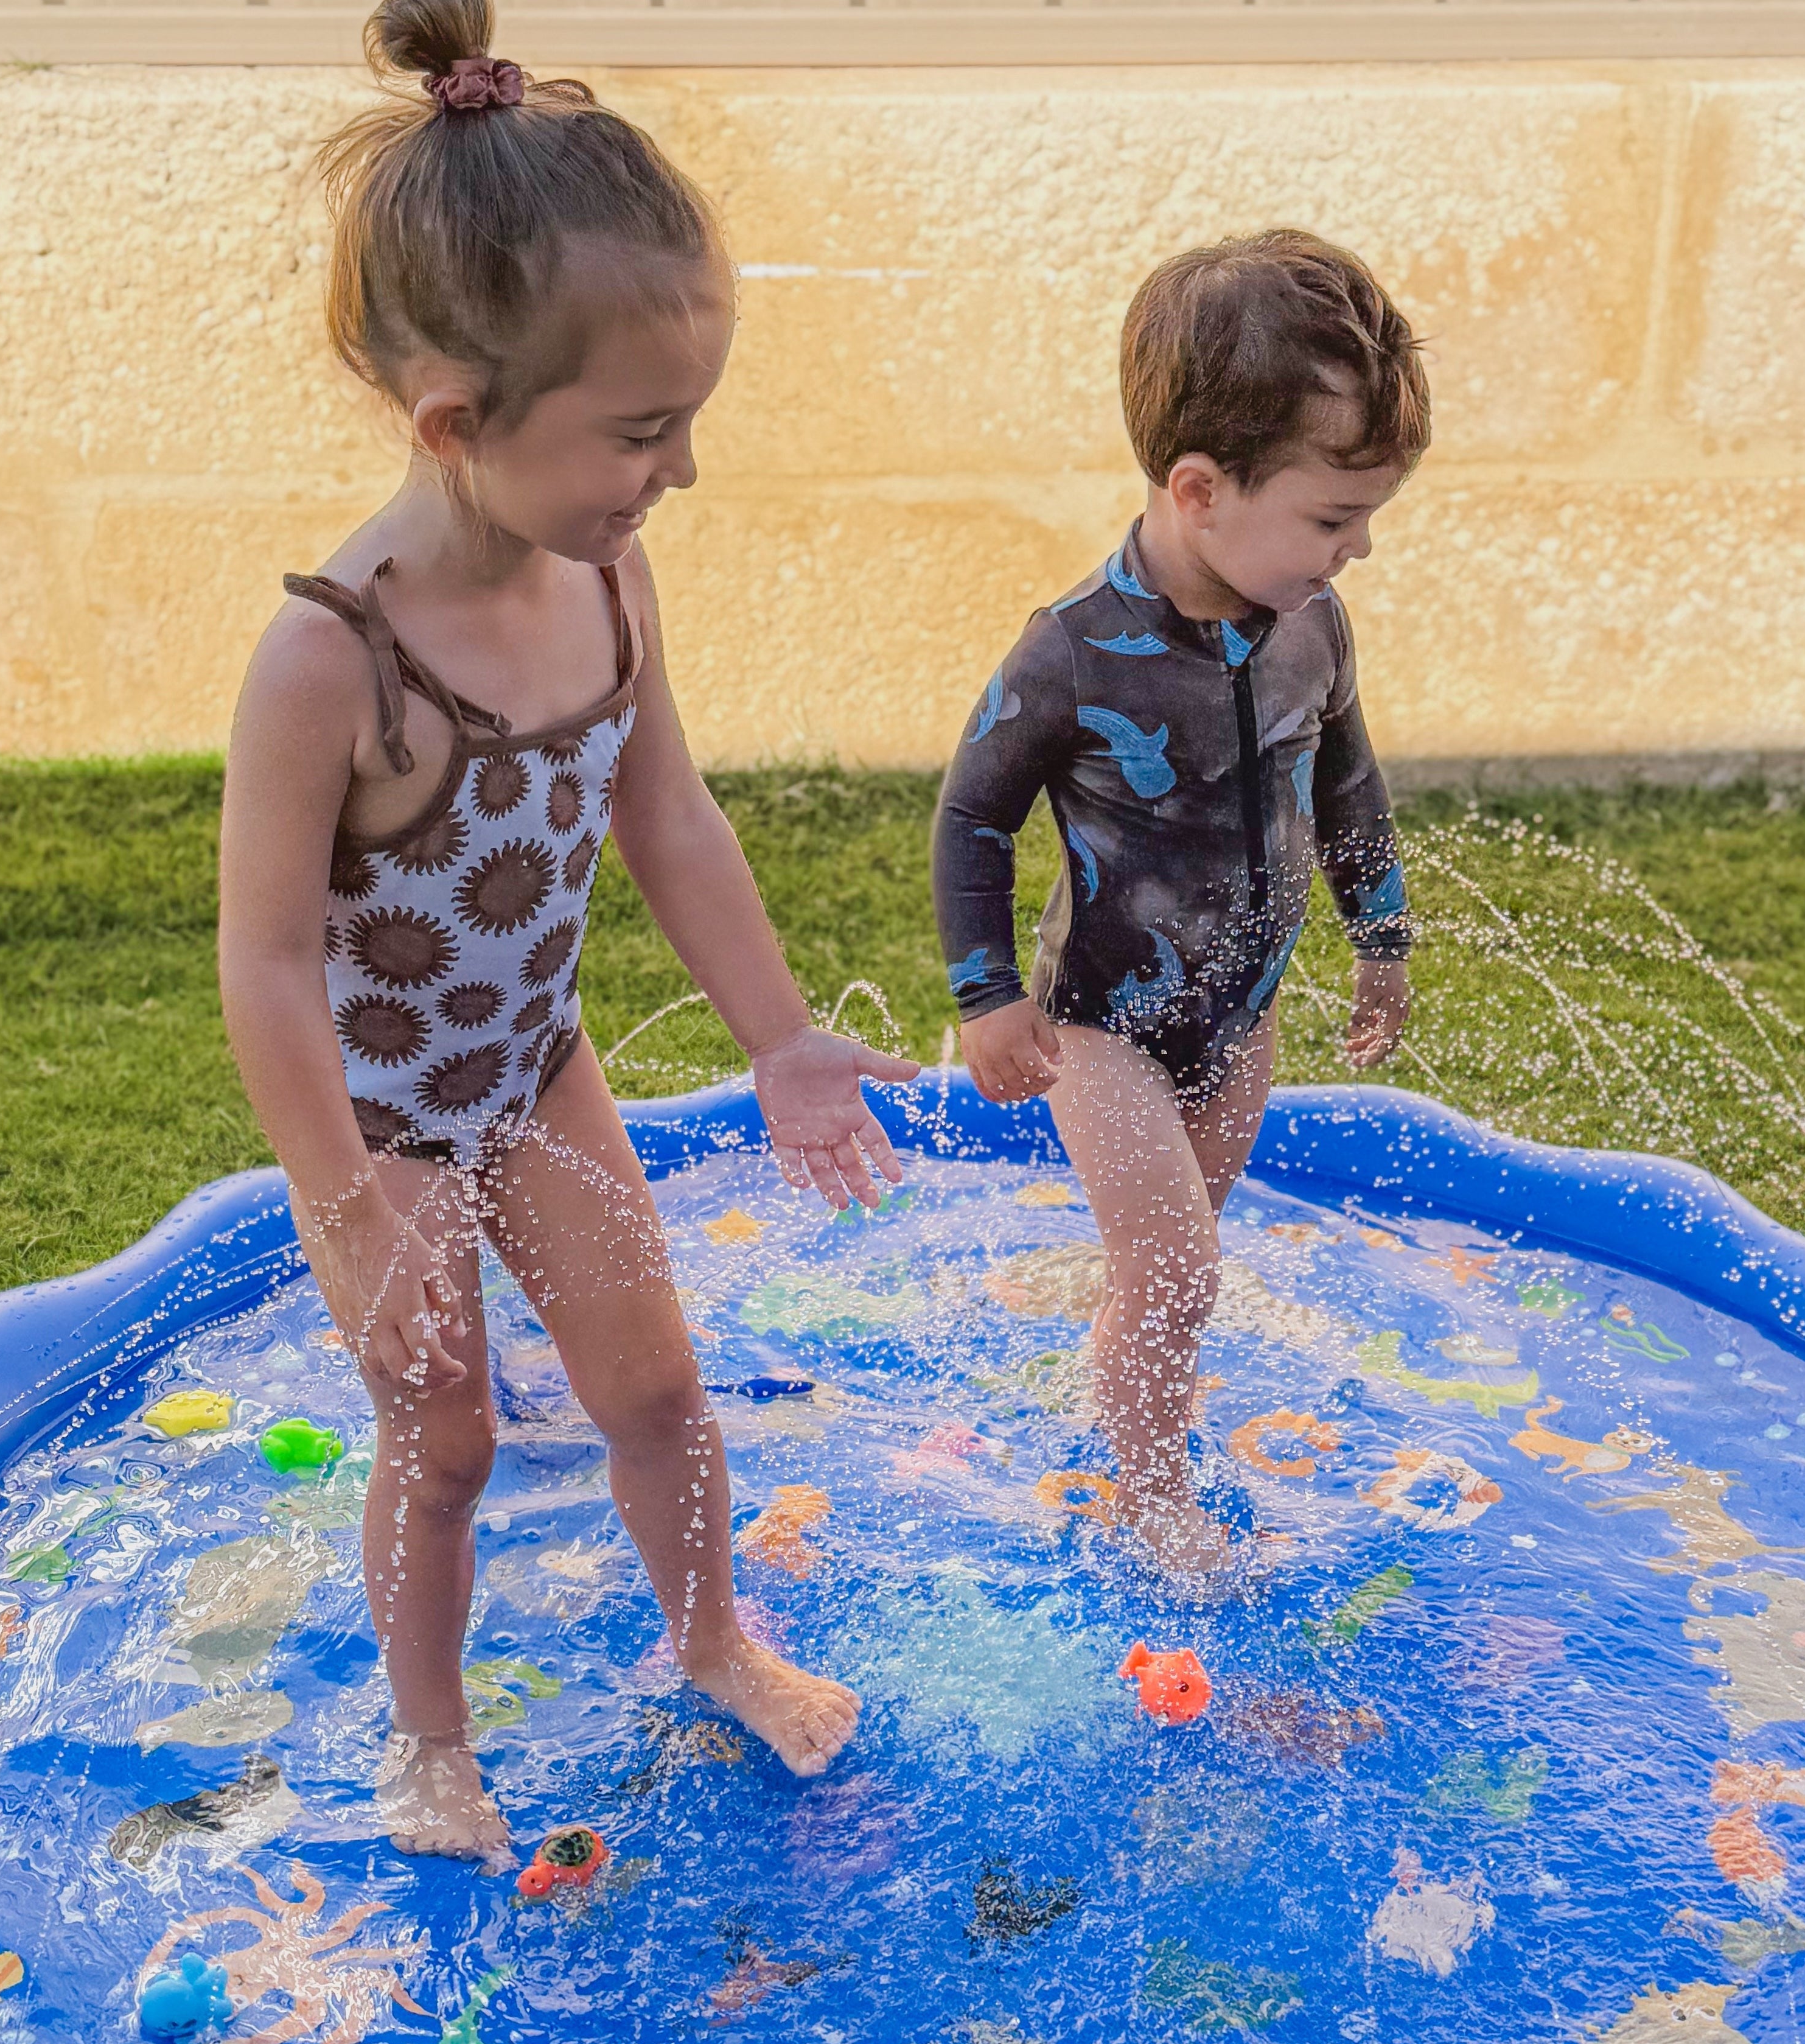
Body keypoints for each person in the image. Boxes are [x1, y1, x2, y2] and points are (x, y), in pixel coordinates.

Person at [219, 0, 916, 1865]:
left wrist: (776, 1034)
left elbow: (664, 811)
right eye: (636, 432)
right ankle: (430, 1741)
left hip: (534, 1075)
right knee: (442, 1445)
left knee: (658, 1390)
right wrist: (346, 1200)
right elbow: (268, 959)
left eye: (682, 425)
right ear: (457, 422)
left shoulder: (607, 573)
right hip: (374, 1136)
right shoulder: (329, 660)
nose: (671, 472)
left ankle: (710, 1641)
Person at [932, 231, 1429, 1573]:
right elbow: (970, 811)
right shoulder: (1072, 647)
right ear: (1199, 488)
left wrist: (1378, 935)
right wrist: (984, 995)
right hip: (1100, 1023)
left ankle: (1120, 1405)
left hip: (1242, 1016)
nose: (1359, 548)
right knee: (1176, 1267)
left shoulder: (1310, 625)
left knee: (1174, 1272)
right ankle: (1145, 1501)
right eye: (1333, 518)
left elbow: (1347, 780)